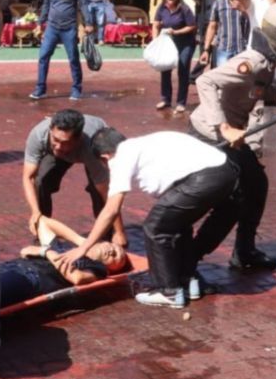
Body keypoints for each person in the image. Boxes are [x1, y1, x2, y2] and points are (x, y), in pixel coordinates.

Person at [191, 1, 276, 272]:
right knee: (232, 198)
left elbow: (256, 94)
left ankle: (244, 251)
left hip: (233, 136)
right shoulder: (252, 61)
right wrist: (223, 127)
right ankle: (191, 255)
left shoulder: (268, 63)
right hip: (211, 133)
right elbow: (206, 81)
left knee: (257, 185)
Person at [62, 128, 241, 308]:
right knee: (176, 224)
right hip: (226, 171)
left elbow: (111, 209)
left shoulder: (121, 157)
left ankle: (168, 291)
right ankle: (189, 281)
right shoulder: (147, 143)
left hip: (203, 178)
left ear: (105, 157)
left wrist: (84, 247)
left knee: (154, 228)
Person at [0, 215, 128, 332]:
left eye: (116, 259)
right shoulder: (72, 248)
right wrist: (83, 243)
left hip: (30, 280)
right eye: (115, 249)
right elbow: (44, 221)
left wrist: (47, 251)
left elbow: (77, 278)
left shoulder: (96, 268)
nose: (113, 252)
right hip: (10, 266)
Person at [22, 109, 126, 243]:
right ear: (51, 130)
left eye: (64, 142)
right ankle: (43, 228)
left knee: (97, 190)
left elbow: (106, 192)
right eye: (55, 139)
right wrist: (35, 212)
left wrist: (119, 232)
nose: (58, 146)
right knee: (41, 181)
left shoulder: (92, 144)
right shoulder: (38, 135)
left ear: (78, 139)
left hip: (92, 150)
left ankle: (106, 233)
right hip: (58, 155)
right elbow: (28, 177)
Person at [31, 0, 91, 101]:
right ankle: (40, 89)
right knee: (43, 57)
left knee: (73, 59)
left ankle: (76, 89)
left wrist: (88, 22)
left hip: (69, 28)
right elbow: (46, 5)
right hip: (52, 27)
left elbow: (83, 5)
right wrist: (40, 23)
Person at [152, 0, 196, 113]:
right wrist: (155, 40)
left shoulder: (184, 8)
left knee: (182, 71)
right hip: (168, 43)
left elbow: (192, 26)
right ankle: (165, 99)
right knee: (165, 69)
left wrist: (176, 32)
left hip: (185, 43)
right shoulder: (161, 8)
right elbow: (156, 24)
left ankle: (181, 102)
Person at [200, 0, 251, 68]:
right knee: (223, 79)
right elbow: (212, 27)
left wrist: (243, 10)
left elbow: (253, 21)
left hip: (243, 50)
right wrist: (206, 50)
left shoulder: (247, 3)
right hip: (224, 50)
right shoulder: (219, 4)